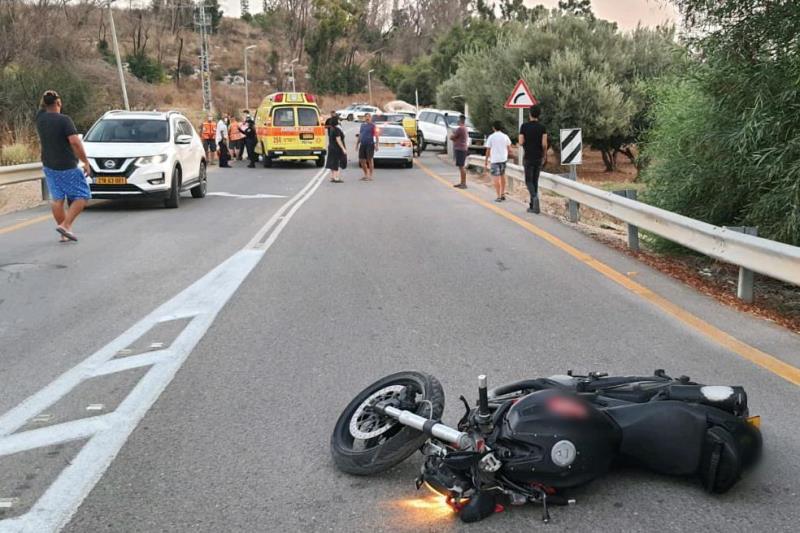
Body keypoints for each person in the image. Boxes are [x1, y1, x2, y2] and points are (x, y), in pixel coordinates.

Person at [35, 90, 91, 242]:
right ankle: (66, 225)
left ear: (44, 104)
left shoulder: (40, 118)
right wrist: (85, 161)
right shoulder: (64, 120)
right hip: (67, 165)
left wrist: (46, 95)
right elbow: (75, 142)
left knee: (57, 199)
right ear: (59, 103)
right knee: (82, 196)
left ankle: (63, 232)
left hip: (48, 164)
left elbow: (43, 105)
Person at [518, 105, 548, 214]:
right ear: (539, 115)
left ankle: (534, 199)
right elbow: (544, 144)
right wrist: (544, 155)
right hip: (538, 157)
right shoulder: (542, 127)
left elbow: (521, 142)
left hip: (528, 157)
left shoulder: (524, 126)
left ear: (530, 114)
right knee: (535, 181)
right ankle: (533, 206)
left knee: (528, 181)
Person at [484, 121, 512, 202]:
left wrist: (486, 160)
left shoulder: (491, 137)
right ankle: (503, 194)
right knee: (502, 176)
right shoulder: (505, 136)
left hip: (495, 160)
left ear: (493, 128)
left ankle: (498, 196)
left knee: (496, 178)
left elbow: (488, 150)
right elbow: (510, 149)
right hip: (503, 159)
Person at [356, 113, 378, 181]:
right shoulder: (362, 125)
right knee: (362, 160)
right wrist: (357, 144)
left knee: (370, 160)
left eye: (368, 117)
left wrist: (376, 145)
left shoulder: (373, 125)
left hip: (370, 144)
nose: (367, 118)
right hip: (363, 144)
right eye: (366, 117)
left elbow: (376, 136)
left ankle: (370, 176)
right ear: (364, 118)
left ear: (370, 118)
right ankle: (366, 174)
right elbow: (360, 135)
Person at [325, 116, 347, 183]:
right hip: (336, 148)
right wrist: (343, 148)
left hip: (331, 146)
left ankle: (332, 176)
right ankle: (336, 177)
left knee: (332, 161)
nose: (339, 121)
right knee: (337, 162)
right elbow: (338, 140)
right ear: (336, 121)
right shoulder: (337, 129)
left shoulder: (332, 128)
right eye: (338, 120)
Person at [450, 115, 469, 189]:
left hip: (460, 149)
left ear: (460, 121)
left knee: (461, 166)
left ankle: (463, 183)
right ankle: (462, 182)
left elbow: (452, 137)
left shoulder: (460, 129)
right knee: (461, 166)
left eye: (458, 120)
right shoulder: (465, 128)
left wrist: (453, 137)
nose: (457, 121)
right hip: (463, 148)